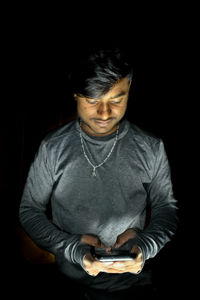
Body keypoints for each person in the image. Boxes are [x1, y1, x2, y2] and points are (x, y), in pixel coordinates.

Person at [19, 47, 178, 299]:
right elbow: (29, 210)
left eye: (116, 99)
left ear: (129, 91)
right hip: (66, 284)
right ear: (75, 96)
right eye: (92, 100)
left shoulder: (151, 147)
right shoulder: (52, 147)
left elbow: (166, 208)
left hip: (135, 286)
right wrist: (72, 248)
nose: (104, 113)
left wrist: (145, 245)